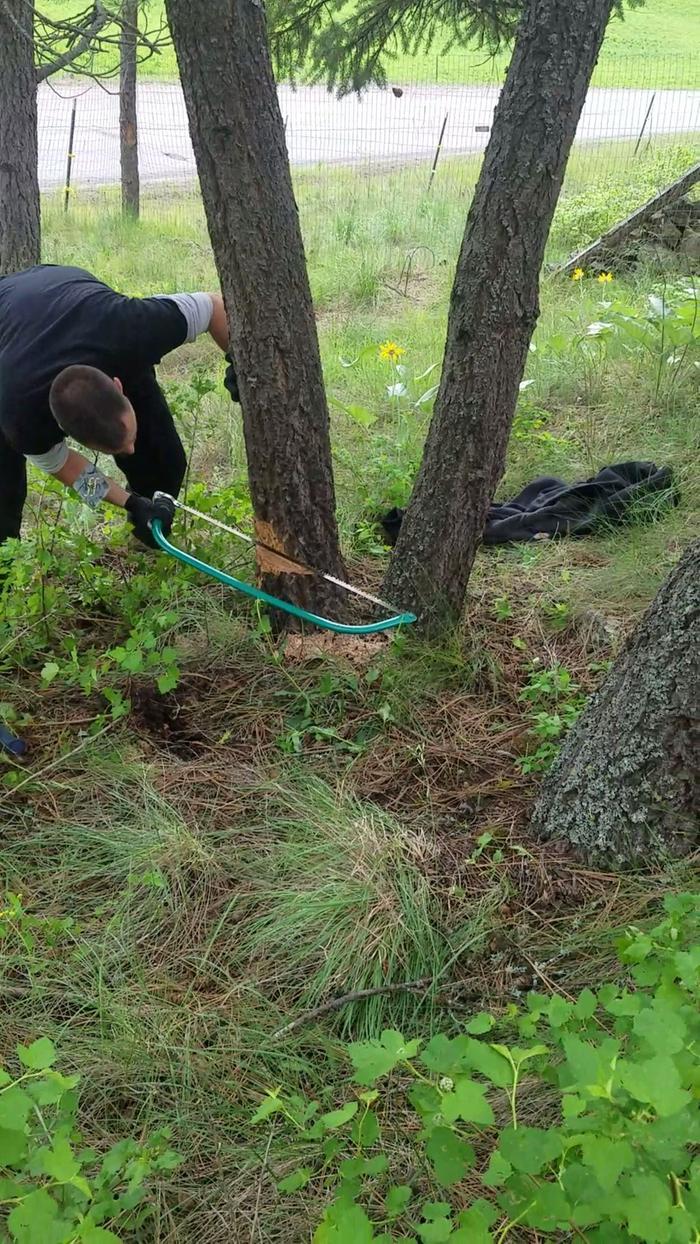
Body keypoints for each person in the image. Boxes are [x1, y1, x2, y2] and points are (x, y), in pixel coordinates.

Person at [0, 264, 239, 549]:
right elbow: (67, 468)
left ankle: (150, 532)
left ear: (119, 385)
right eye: (118, 448)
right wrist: (129, 503)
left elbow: (212, 306)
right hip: (9, 332)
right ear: (62, 430)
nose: (130, 450)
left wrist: (240, 362)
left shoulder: (132, 328)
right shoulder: (21, 418)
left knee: (164, 458)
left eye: (129, 438)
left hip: (70, 301)